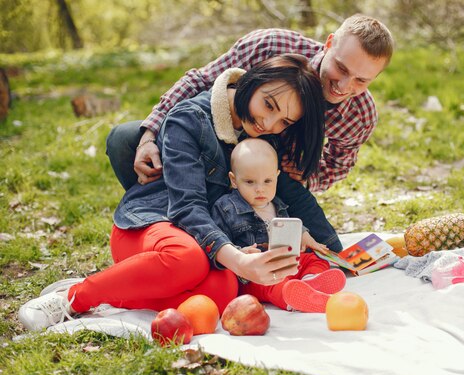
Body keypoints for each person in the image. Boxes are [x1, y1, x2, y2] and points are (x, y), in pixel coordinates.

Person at [18, 54, 330, 332]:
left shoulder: (262, 138)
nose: (269, 122)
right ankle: (72, 297)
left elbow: (271, 197)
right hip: (151, 226)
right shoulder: (189, 117)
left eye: (284, 121)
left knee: (223, 289)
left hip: (200, 242)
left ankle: (116, 289)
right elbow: (187, 208)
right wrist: (234, 257)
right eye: (269, 105)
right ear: (251, 81)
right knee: (189, 260)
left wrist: (318, 242)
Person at [105, 14, 394, 250]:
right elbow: (202, 79)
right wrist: (150, 133)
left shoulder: (361, 115)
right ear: (329, 44)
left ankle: (239, 229)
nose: (344, 85)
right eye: (340, 68)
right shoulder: (271, 45)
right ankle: (160, 224)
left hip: (272, 172)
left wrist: (305, 173)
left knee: (325, 242)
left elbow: (337, 165)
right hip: (216, 141)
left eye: (361, 80)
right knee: (125, 139)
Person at [211, 138, 346, 313]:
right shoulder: (225, 207)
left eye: (267, 181)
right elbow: (220, 242)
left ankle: (311, 280)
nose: (260, 189)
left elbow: (290, 224)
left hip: (285, 262)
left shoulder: (277, 203)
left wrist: (305, 237)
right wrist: (239, 253)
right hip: (256, 273)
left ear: (276, 176)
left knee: (314, 258)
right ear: (234, 180)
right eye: (250, 182)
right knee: (272, 284)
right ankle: (293, 297)